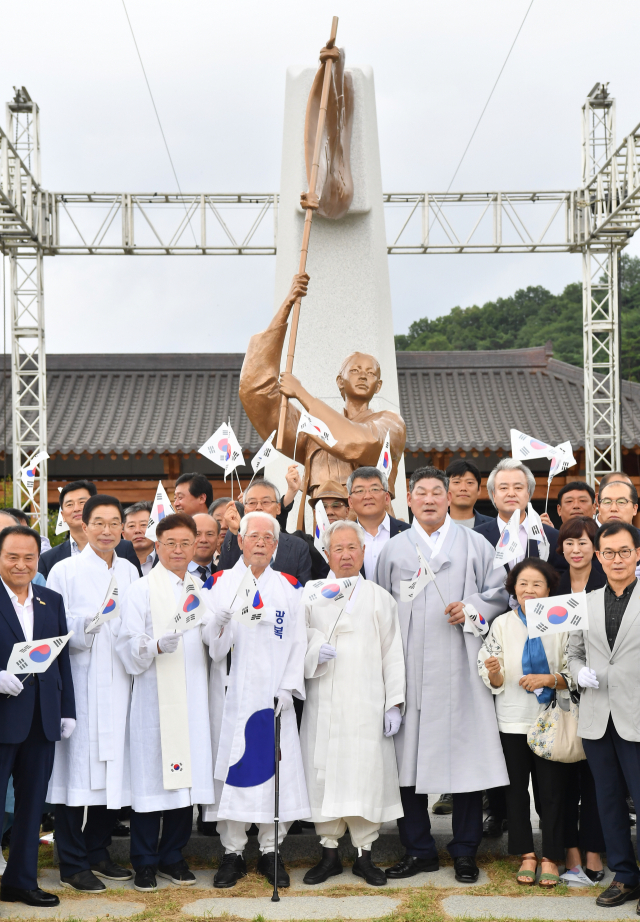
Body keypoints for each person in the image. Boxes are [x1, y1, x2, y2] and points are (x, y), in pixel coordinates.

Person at [375, 467, 509, 883]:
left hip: (461, 668)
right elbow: (381, 610)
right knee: (405, 764)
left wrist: (471, 609)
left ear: (450, 498)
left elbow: (499, 594)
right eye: (421, 493)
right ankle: (418, 849)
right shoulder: (393, 551)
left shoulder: (475, 545)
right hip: (411, 671)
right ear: (409, 501)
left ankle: (465, 850)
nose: (430, 499)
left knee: (464, 762)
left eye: (438, 492)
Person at [239, 273, 406, 526]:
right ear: (340, 381)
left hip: (372, 530)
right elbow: (257, 392)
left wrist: (302, 394)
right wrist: (287, 306)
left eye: (371, 373)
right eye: (355, 371)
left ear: (378, 385)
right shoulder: (311, 430)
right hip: (320, 533)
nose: (363, 376)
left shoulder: (390, 424)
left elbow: (356, 442)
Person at [202, 511, 309, 889]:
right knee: (234, 770)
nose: (261, 542)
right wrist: (220, 623)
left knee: (273, 770)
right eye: (254, 536)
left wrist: (288, 686)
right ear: (240, 541)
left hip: (273, 697)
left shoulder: (290, 587)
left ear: (276, 545)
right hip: (234, 696)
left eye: (268, 537)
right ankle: (231, 852)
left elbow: (299, 641)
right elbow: (213, 649)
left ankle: (270, 850)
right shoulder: (219, 584)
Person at [301, 520, 405, 887]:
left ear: (363, 553)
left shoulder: (379, 597)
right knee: (324, 774)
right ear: (326, 553)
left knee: (365, 774)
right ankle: (328, 853)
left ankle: (365, 855)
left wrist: (394, 703)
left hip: (366, 701)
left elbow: (392, 653)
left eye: (352, 548)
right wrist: (314, 649)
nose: (345, 555)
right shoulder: (311, 594)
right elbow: (297, 639)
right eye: (338, 549)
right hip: (324, 699)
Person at [117, 513, 213, 893]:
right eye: (170, 543)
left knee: (183, 783)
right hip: (154, 701)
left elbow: (214, 647)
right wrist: (154, 646)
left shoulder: (200, 589)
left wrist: (220, 625)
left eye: (185, 543)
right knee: (152, 780)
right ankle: (143, 860)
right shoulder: (141, 590)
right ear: (157, 546)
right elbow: (126, 643)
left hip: (192, 699)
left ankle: (173, 855)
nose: (177, 550)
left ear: (195, 548)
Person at [47, 495, 139, 891]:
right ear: (82, 526)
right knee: (75, 772)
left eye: (114, 523)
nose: (106, 530)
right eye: (98, 522)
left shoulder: (131, 571)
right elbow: (52, 626)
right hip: (81, 684)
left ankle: (99, 850)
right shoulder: (64, 571)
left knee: (113, 772)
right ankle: (71, 860)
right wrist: (89, 623)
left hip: (120, 682)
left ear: (122, 528)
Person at [479, 559, 571, 888]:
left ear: (549, 589)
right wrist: (493, 670)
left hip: (551, 720)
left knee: (552, 792)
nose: (529, 590)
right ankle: (526, 854)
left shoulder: (561, 620)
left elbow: (572, 667)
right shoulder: (502, 623)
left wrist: (551, 678)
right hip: (512, 720)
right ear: (513, 588)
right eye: (523, 583)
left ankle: (551, 856)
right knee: (515, 792)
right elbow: (493, 672)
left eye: (537, 584)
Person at [0, 525, 75, 908]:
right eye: (12, 556)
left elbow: (61, 660)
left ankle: (21, 880)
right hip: (2, 717)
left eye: (29, 557)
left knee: (32, 807)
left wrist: (68, 711)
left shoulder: (50, 600)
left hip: (42, 719)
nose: (21, 564)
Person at [568, 521, 640, 909]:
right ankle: (625, 877)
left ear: (637, 554)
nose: (616, 559)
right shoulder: (586, 600)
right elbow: (573, 653)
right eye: (609, 552)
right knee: (608, 800)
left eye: (624, 551)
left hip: (637, 715)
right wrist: (578, 671)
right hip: (598, 718)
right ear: (598, 556)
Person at [475, 459, 566, 572]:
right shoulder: (476, 536)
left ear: (528, 493)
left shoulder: (552, 536)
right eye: (504, 488)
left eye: (518, 488)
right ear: (494, 495)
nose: (511, 493)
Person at [39, 481, 141, 579]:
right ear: (63, 515)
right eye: (69, 504)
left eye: (82, 502)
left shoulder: (125, 549)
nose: (76, 508)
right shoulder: (49, 560)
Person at [219, 481, 312, 585]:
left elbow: (303, 591)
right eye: (252, 502)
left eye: (265, 502)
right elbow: (223, 576)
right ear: (245, 510)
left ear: (278, 508)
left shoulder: (298, 546)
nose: (258, 507)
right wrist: (233, 530)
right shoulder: (238, 540)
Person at [347, 467, 410, 580]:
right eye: (360, 491)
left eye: (375, 489)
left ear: (387, 498)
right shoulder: (343, 536)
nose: (367, 496)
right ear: (350, 501)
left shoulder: (409, 533)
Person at [554, 517, 606, 596]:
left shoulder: (607, 585)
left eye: (582, 543)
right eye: (569, 544)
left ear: (594, 547)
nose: (575, 550)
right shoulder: (553, 585)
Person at [445, 460, 493, 528]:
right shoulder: (433, 525)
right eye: (456, 482)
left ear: (479, 489)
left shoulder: (494, 526)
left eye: (470, 482)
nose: (463, 488)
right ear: (446, 489)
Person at [123, 502, 156, 575]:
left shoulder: (165, 561)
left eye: (143, 525)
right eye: (131, 526)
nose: (137, 530)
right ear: (123, 534)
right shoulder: (115, 562)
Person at [188, 514, 219, 583]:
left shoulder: (223, 575)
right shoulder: (173, 573)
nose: (203, 540)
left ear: (218, 539)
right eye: (197, 534)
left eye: (209, 534)